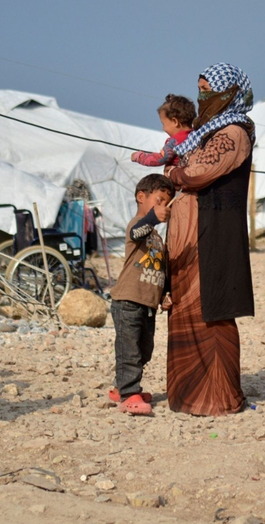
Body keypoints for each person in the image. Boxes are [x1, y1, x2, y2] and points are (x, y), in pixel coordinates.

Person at [165, 62, 255, 416]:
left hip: (214, 234)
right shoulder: (205, 133)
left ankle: (219, 396)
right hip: (192, 236)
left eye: (208, 91)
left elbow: (198, 173)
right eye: (200, 90)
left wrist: (174, 173)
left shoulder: (233, 133)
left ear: (229, 93)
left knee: (213, 312)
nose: (202, 97)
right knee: (186, 309)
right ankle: (188, 393)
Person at [108, 174, 174, 415]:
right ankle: (129, 394)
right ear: (141, 197)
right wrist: (153, 217)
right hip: (127, 300)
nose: (164, 206)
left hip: (148, 304)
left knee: (144, 350)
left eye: (167, 203)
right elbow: (137, 232)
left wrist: (165, 293)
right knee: (130, 351)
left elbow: (160, 268)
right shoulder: (137, 224)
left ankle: (121, 388)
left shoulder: (156, 237)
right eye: (160, 200)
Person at [131, 95, 196, 167]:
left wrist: (139, 157)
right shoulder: (196, 137)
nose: (163, 129)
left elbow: (160, 158)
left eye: (164, 124)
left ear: (175, 122)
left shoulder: (175, 142)